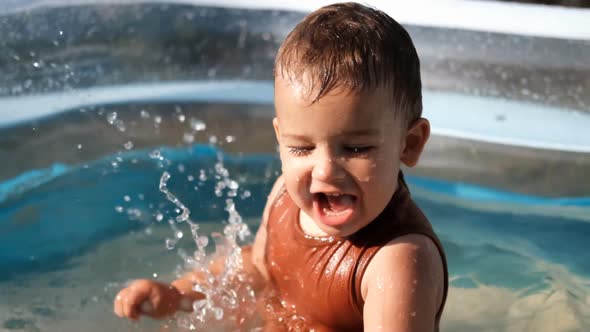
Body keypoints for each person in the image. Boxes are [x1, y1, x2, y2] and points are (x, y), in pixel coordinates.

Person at [114, 2, 448, 331]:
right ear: (280, 139)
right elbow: (257, 271)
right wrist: (177, 295)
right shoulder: (284, 195)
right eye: (302, 148)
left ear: (410, 144)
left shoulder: (397, 262)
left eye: (356, 148)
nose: (325, 171)